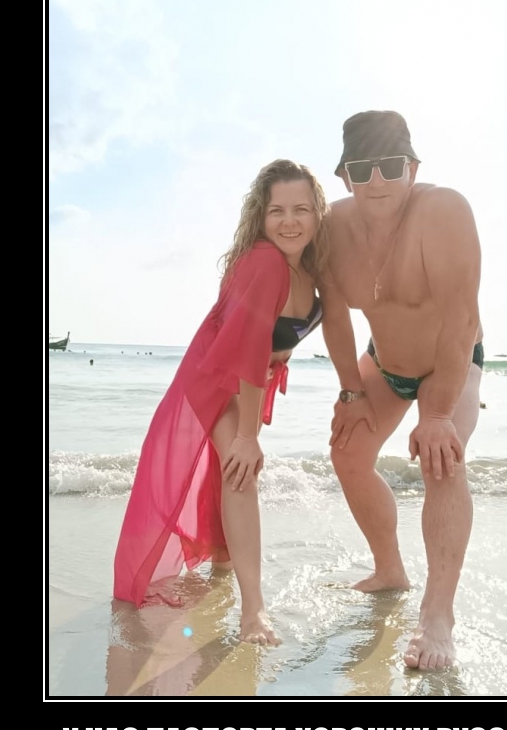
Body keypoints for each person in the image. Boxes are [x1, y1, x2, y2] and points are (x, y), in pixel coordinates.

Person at [113, 159, 329, 646]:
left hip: (249, 380)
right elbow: (249, 345)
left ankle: (226, 564)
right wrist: (248, 435)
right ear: (260, 215)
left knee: (225, 475)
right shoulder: (266, 262)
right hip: (216, 377)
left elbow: (285, 334)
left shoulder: (311, 265)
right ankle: (254, 611)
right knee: (240, 470)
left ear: (318, 213)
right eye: (276, 211)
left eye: (301, 209)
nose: (289, 221)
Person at [320, 111, 483, 670]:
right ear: (344, 176)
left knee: (443, 461)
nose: (377, 181)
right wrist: (350, 391)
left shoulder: (443, 211)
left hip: (449, 362)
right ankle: (389, 569)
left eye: (391, 166)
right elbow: (335, 318)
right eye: (362, 168)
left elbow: (462, 318)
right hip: (385, 362)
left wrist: (436, 414)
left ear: (412, 168)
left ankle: (438, 614)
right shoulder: (332, 227)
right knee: (347, 455)